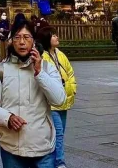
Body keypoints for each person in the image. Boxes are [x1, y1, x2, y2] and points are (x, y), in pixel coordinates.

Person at [0, 20, 66, 168]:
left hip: (43, 147)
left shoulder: (47, 68)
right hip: (12, 148)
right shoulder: (1, 69)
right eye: (17, 37)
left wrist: (40, 74)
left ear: (33, 41)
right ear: (11, 40)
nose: (22, 42)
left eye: (26, 37)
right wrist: (8, 118)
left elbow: (59, 100)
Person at [43, 33, 76, 168]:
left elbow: (70, 72)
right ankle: (59, 161)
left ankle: (54, 159)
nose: (57, 37)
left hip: (65, 99)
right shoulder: (43, 57)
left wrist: (72, 88)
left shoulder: (60, 54)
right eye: (53, 35)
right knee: (59, 132)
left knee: (60, 132)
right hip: (52, 102)